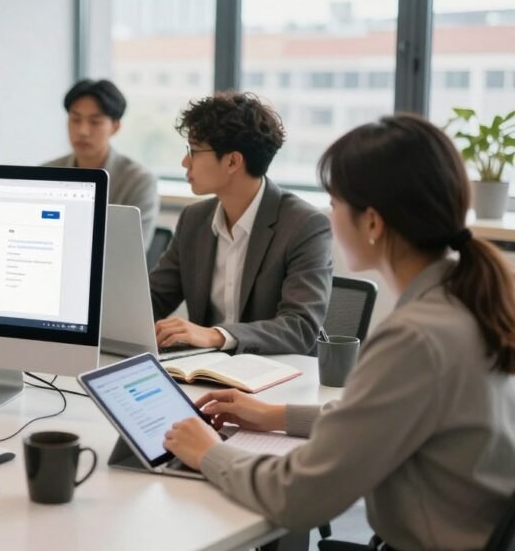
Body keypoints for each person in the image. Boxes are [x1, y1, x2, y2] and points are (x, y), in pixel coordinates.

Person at [164, 114, 515, 550]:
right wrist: (274, 415)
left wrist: (208, 452)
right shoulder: (462, 301)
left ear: (372, 222)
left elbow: (297, 497)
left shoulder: (415, 338)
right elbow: (380, 418)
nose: (328, 215)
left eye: (335, 202)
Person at [149, 91, 332, 355]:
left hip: (275, 375)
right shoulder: (194, 220)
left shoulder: (304, 225)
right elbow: (154, 299)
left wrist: (216, 335)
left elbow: (300, 327)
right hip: (204, 371)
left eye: (195, 151)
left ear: (233, 161)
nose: (185, 162)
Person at [44, 79, 158, 247]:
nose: (82, 131)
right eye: (75, 120)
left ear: (115, 127)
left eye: (95, 122)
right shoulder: (47, 173)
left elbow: (131, 251)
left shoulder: (138, 181)